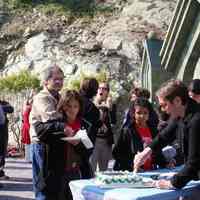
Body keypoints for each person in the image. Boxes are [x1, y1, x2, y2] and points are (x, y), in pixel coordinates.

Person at [134, 79, 200, 190]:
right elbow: (164, 135)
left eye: (164, 105)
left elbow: (194, 162)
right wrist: (146, 152)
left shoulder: (196, 120)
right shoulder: (180, 114)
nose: (163, 110)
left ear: (177, 101)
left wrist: (172, 183)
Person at [29, 65, 67, 200]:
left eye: (61, 79)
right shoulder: (42, 97)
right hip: (41, 145)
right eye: (56, 79)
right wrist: (65, 120)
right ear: (46, 81)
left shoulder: (58, 96)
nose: (59, 82)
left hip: (54, 144)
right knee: (42, 187)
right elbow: (52, 118)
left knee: (54, 186)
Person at [113, 98, 166, 171]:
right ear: (133, 113)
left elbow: (157, 152)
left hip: (150, 172)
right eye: (139, 113)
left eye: (145, 113)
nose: (142, 116)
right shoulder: (127, 130)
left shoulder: (153, 130)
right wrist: (133, 166)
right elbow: (117, 154)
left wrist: (165, 163)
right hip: (132, 174)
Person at [79, 77, 100, 175]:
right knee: (84, 167)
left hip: (72, 136)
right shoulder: (91, 107)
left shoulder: (75, 100)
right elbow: (93, 125)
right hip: (85, 139)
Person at [0, 99, 14, 180]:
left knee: (2, 151)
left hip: (3, 131)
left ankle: (1, 172)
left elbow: (11, 109)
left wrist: (1, 107)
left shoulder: (3, 103)